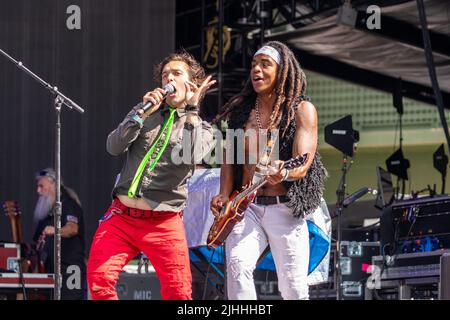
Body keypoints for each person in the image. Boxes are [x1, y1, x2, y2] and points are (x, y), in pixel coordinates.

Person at [87, 50, 215, 300]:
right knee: (99, 282)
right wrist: (140, 113)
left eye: (176, 73)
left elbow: (191, 154)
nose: (169, 78)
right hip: (121, 217)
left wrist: (191, 109)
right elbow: (113, 146)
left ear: (192, 85)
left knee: (179, 293)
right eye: (165, 74)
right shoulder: (145, 114)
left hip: (163, 223)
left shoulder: (202, 127)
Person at [210, 41, 327, 300]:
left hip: (283, 207)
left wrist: (283, 172)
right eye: (254, 65)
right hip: (246, 208)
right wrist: (223, 194)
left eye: (265, 64)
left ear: (282, 70)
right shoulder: (242, 113)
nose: (257, 70)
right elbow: (230, 158)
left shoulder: (301, 110)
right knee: (238, 265)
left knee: (293, 287)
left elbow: (304, 162)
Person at [33, 168, 86, 300]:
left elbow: (72, 228)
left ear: (53, 185)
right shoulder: (48, 212)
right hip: (51, 273)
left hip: (70, 271)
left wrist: (55, 230)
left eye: (41, 186)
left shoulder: (68, 205)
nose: (38, 191)